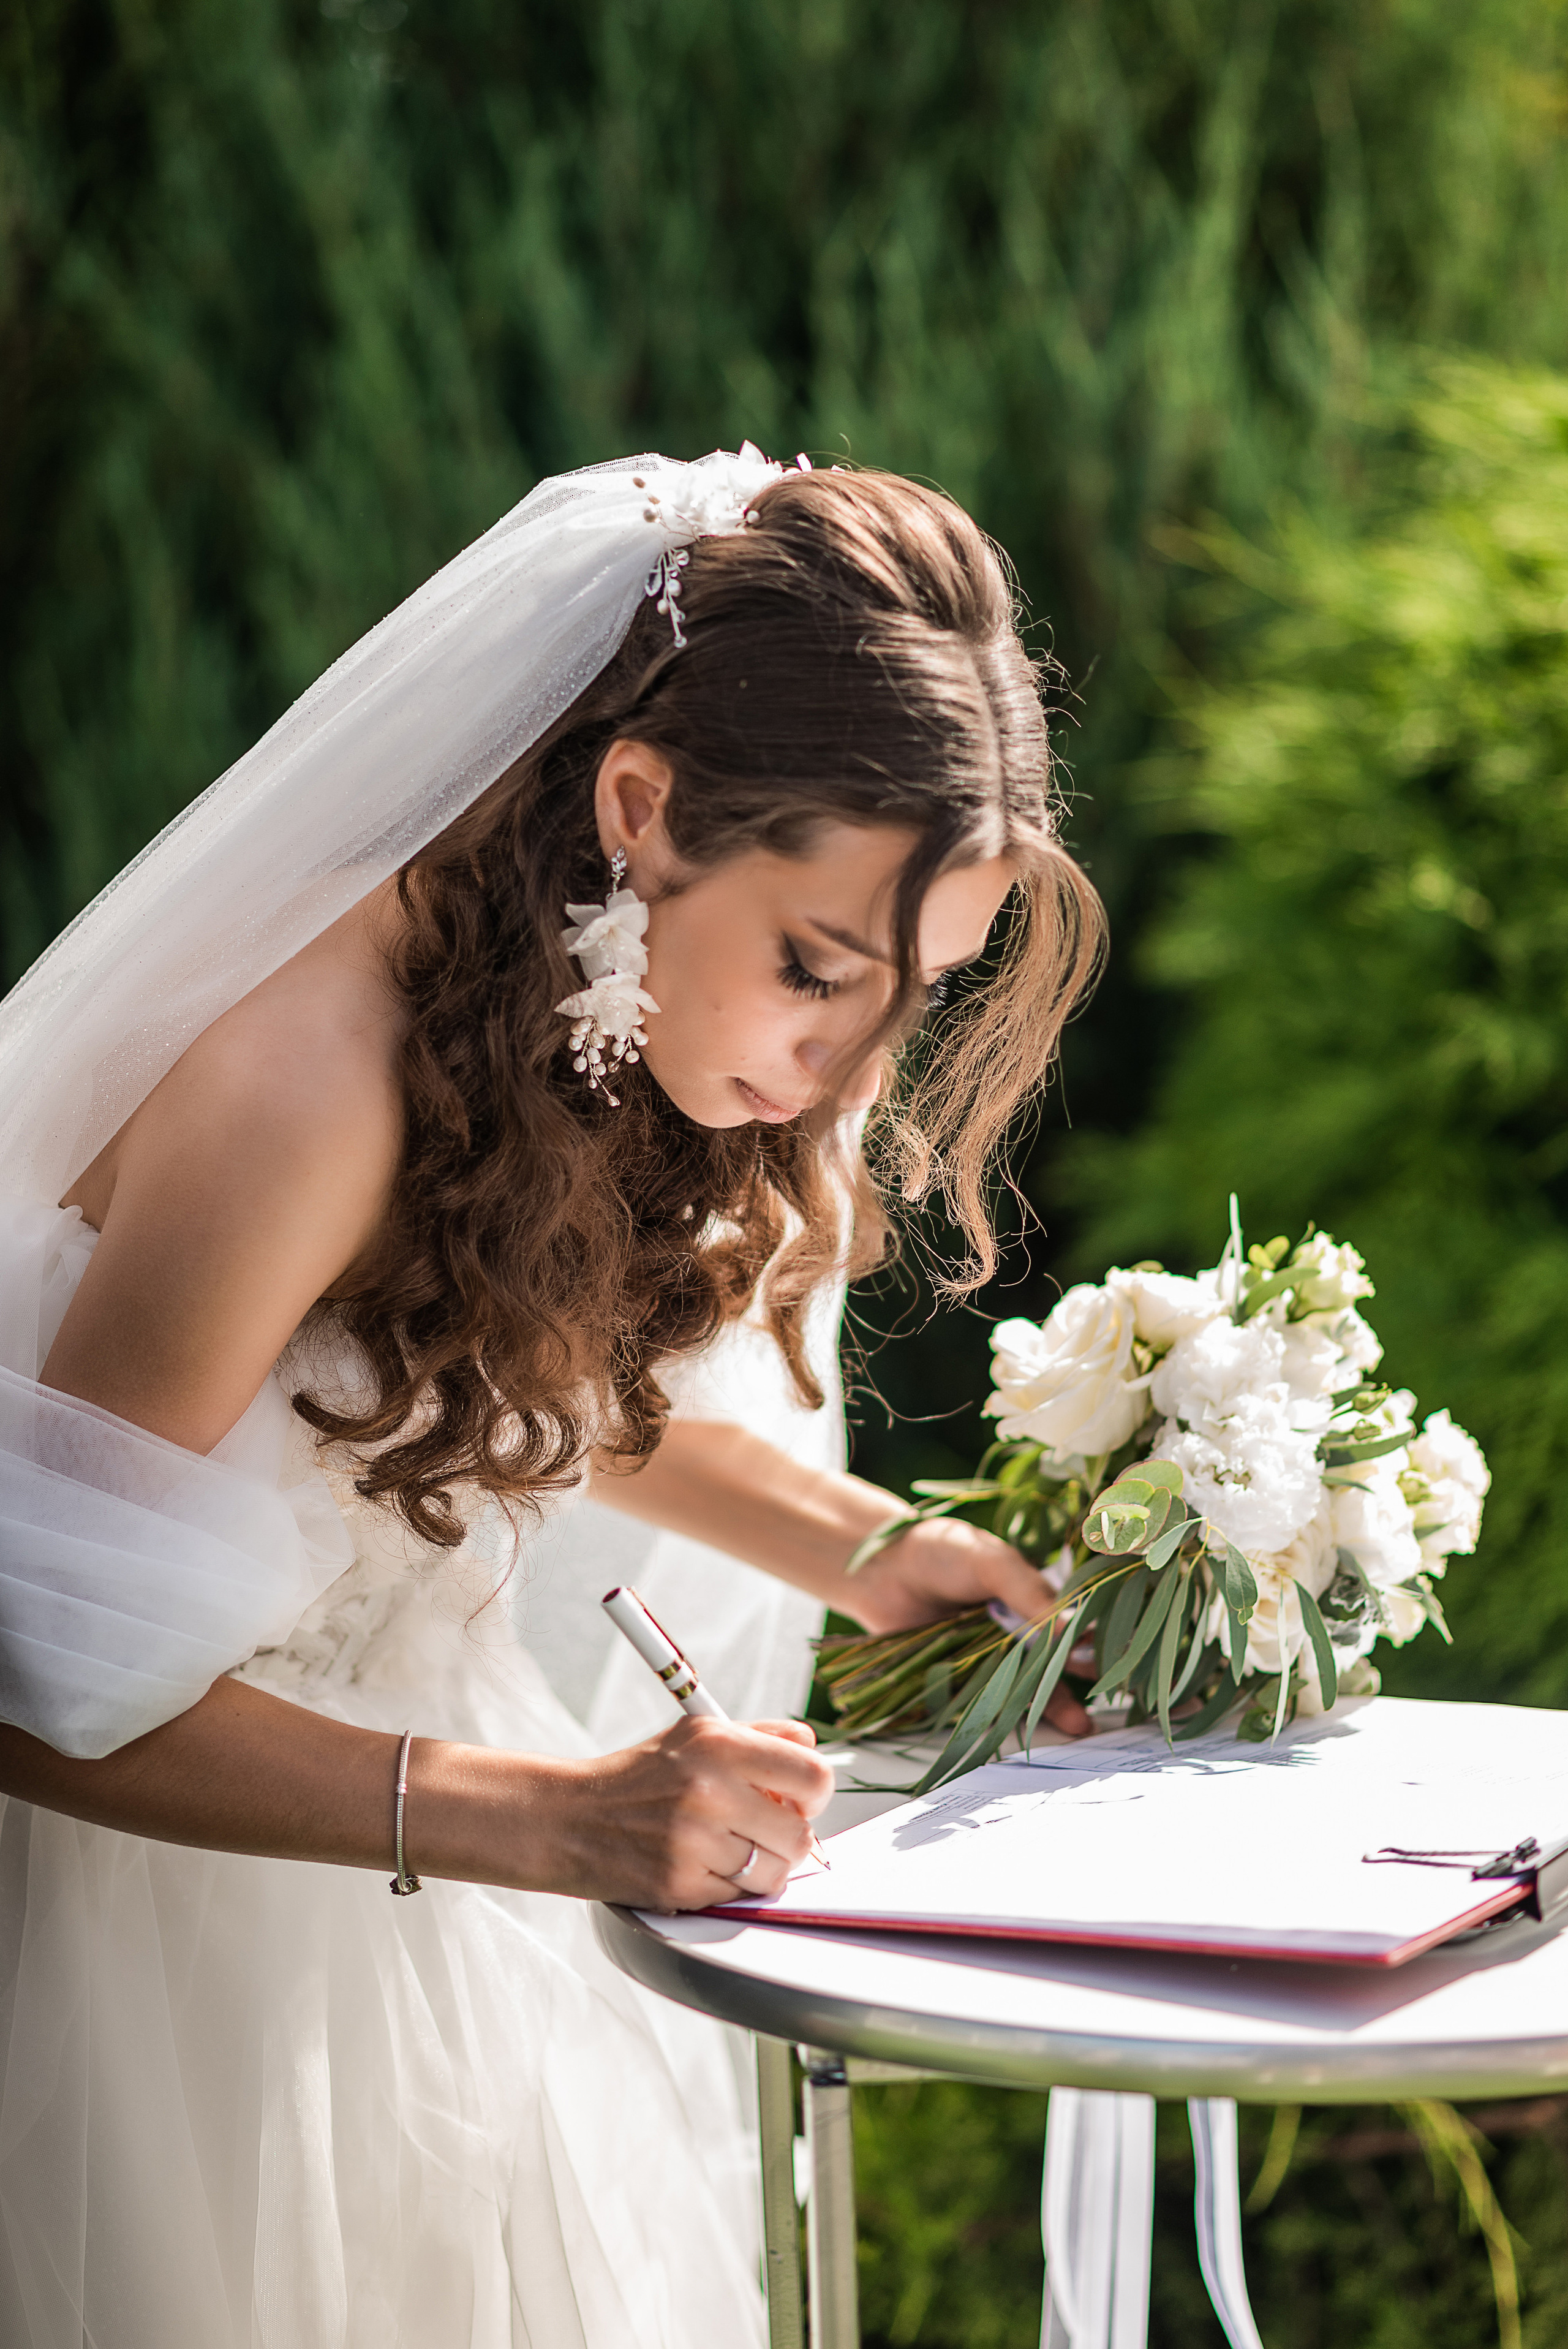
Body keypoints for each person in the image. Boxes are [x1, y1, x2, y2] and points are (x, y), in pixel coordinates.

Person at [0, 447, 1102, 2346]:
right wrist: (553, 1822)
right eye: (816, 968)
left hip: (436, 1880)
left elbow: (450, 1376)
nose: (846, 1067)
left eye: (906, 997)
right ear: (639, 805)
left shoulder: (552, 986)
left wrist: (869, 1543)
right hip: (174, 1939)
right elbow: (34, 1677)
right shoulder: (300, 1085)